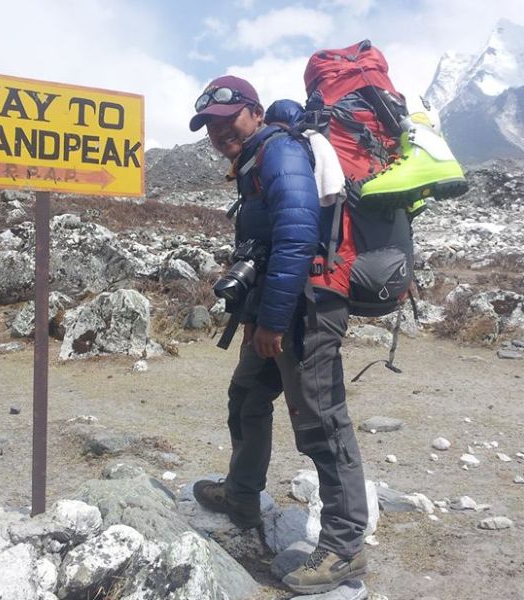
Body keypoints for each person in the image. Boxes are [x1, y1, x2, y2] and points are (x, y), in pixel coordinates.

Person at [188, 75, 371, 595]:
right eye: (211, 127)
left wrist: (272, 321)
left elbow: (296, 237)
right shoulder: (253, 159)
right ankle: (242, 495)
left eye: (229, 120)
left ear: (256, 111)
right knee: (246, 394)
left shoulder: (280, 152)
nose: (220, 132)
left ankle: (345, 547)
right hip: (279, 305)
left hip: (307, 308)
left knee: (320, 422)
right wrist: (258, 316)